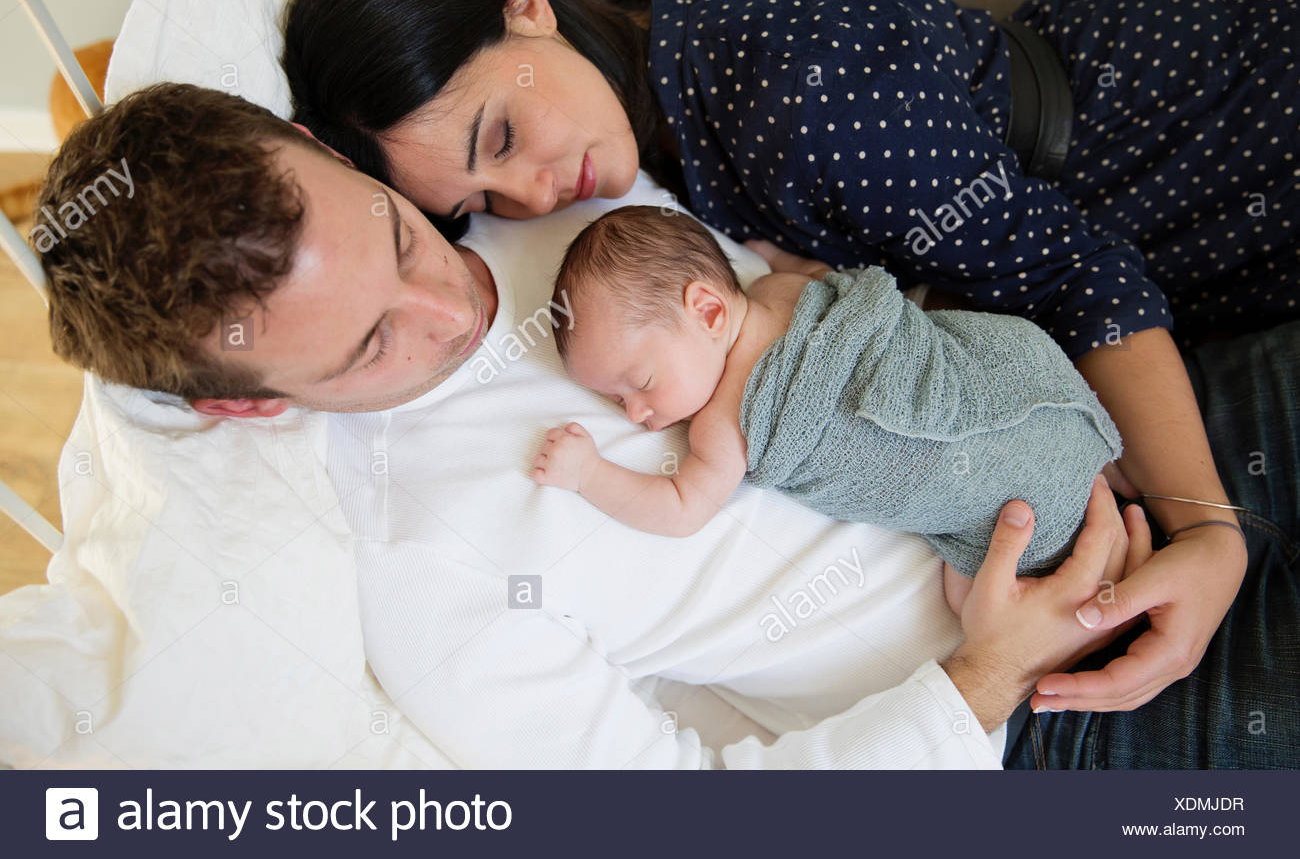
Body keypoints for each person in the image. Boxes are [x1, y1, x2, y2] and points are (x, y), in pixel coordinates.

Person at [33, 82, 1297, 766]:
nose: (449, 301)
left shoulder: (540, 191)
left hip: (1136, 429)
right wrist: (979, 681)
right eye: (372, 342)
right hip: (1070, 707)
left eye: (395, 235)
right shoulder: (423, 562)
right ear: (253, 400)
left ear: (324, 147)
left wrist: (1203, 512)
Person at [281, 0, 1299, 724]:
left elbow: (1079, 272)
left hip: (1219, 137)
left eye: (500, 135)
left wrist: (1208, 531)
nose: (534, 191)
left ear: (528, 8)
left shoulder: (786, 95)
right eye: (485, 202)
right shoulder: (658, 133)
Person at [532, 205, 1120, 613]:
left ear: (709, 310)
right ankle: (1098, 464)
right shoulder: (774, 291)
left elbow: (679, 510)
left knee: (967, 604)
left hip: (998, 486)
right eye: (615, 401)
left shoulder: (722, 427)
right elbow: (819, 275)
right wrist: (765, 253)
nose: (634, 414)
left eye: (639, 383)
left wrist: (590, 474)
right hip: (1026, 367)